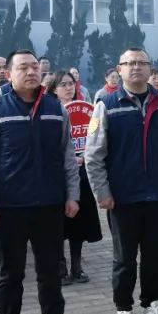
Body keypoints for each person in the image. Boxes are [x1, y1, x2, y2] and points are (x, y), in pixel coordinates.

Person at [0, 50, 80, 314]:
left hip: (49, 205)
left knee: (50, 274)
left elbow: (68, 157)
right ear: (9, 73)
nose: (31, 72)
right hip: (10, 207)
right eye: (23, 67)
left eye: (35, 66)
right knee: (11, 276)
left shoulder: (56, 109)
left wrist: (72, 195)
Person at [86, 49, 158, 314]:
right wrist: (102, 192)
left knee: (156, 254)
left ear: (150, 68)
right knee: (124, 257)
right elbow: (94, 154)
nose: (136, 68)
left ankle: (151, 305)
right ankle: (123, 310)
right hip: (123, 197)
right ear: (120, 69)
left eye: (142, 63)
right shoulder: (106, 104)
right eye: (130, 63)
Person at [45, 71, 103, 285]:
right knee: (58, 224)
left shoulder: (86, 110)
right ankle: (60, 267)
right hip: (57, 176)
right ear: (54, 89)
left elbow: (96, 139)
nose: (69, 88)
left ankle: (77, 267)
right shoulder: (48, 112)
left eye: (71, 84)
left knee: (79, 223)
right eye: (63, 84)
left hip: (82, 175)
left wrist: (86, 157)